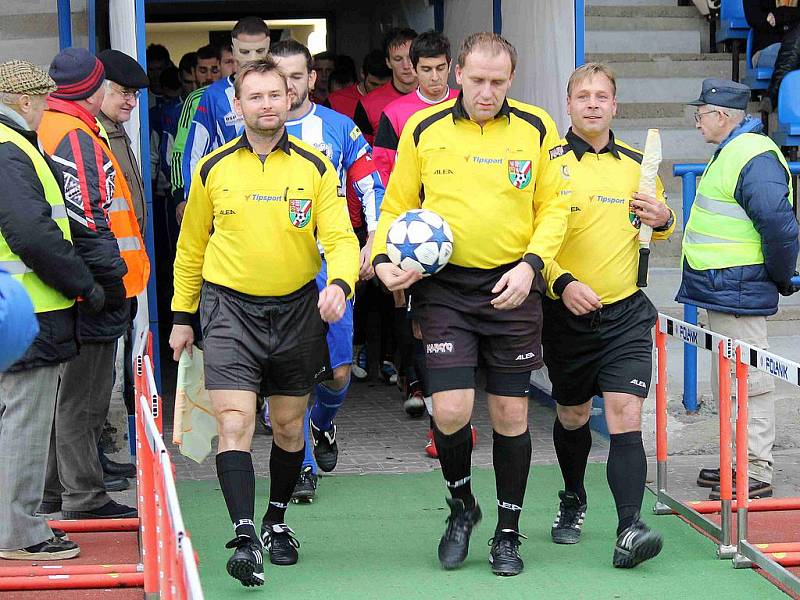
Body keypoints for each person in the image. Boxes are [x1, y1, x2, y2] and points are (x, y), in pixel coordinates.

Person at [372, 32, 568, 577]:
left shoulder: (536, 127)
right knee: (453, 410)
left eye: (498, 81)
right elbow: (396, 207)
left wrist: (532, 266)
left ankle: (507, 533)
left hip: (514, 285)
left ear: (512, 79)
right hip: (445, 291)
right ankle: (462, 506)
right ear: (457, 73)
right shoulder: (423, 128)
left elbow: (555, 207)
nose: (486, 91)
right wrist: (387, 258)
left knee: (510, 414)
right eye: (477, 79)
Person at [170, 57, 359, 587]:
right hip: (228, 309)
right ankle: (245, 533)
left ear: (290, 98)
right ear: (237, 105)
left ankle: (277, 522)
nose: (267, 105)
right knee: (234, 424)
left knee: (286, 425)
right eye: (255, 97)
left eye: (275, 95)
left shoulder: (315, 166)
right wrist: (183, 317)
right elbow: (190, 250)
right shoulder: (213, 169)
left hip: (297, 309)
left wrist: (340, 284)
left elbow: (341, 238)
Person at [542, 63, 673, 568]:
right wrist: (562, 283)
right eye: (583, 96)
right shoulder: (548, 163)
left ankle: (628, 528)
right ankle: (573, 496)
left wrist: (664, 219)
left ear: (615, 106)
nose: (593, 104)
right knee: (573, 414)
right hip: (566, 313)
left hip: (626, 314)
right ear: (568, 105)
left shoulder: (639, 164)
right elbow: (530, 243)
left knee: (624, 415)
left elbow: (656, 227)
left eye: (602, 96)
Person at [271, 39, 385, 501]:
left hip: (328, 264)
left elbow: (369, 184)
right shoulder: (254, 131)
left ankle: (321, 424)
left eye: (297, 76)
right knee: (289, 375)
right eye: (280, 78)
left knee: (337, 373)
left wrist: (374, 237)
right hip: (274, 269)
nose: (289, 86)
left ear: (311, 79)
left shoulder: (338, 127)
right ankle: (300, 466)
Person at [38, 47, 149, 520]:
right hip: (95, 288)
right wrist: (108, 283)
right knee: (84, 399)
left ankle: (52, 492)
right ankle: (83, 495)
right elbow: (90, 219)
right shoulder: (75, 135)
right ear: (94, 88)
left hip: (76, 283)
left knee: (67, 396)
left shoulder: (53, 127)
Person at [0, 60, 104, 561]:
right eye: (43, 100)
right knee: (24, 422)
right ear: (25, 101)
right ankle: (21, 533)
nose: (47, 110)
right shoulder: (10, 149)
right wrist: (82, 282)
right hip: (27, 314)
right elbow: (33, 233)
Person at [679, 78, 799, 500]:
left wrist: (783, 276)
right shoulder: (738, 151)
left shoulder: (751, 155)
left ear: (722, 116)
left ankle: (755, 468)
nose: (697, 124)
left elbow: (780, 228)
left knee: (748, 380)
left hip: (739, 288)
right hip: (726, 288)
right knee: (729, 380)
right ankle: (738, 461)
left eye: (701, 116)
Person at [372, 29, 459, 434]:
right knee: (417, 316)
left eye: (441, 69)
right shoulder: (396, 113)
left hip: (462, 229)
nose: (435, 77)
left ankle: (443, 403)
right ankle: (420, 386)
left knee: (454, 318)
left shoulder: (465, 104)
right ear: (412, 69)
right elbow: (385, 172)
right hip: (416, 234)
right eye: (426, 69)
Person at [182, 17, 270, 200]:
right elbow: (194, 154)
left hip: (276, 193)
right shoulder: (214, 95)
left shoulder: (281, 90)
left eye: (260, 51)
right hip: (229, 197)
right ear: (233, 52)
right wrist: (193, 201)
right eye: (245, 51)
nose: (253, 58)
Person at [170, 44, 224, 224]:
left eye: (214, 70)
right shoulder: (194, 99)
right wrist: (180, 196)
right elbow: (179, 151)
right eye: (203, 70)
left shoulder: (240, 94)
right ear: (194, 72)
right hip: (203, 191)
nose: (209, 76)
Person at [353, 28, 418, 144]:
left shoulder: (440, 97)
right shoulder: (367, 104)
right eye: (398, 59)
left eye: (411, 57)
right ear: (388, 62)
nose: (406, 65)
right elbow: (363, 153)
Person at [744, 0, 800, 112]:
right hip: (767, 48)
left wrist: (780, 14)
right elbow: (756, 19)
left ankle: (772, 94)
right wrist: (793, 20)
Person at [326, 49, 392, 120]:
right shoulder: (335, 101)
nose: (379, 90)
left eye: (384, 85)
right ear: (362, 73)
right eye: (373, 84)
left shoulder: (399, 101)